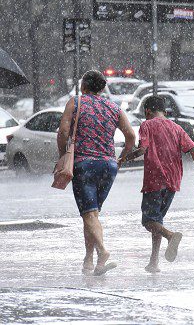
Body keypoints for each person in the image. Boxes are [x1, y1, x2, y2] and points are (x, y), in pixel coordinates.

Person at [57, 70, 136, 276]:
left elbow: (64, 132)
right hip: (108, 166)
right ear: (102, 88)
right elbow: (130, 136)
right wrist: (122, 157)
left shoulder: (76, 103)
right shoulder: (114, 107)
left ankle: (102, 252)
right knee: (92, 215)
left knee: (89, 214)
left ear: (83, 86)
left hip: (84, 165)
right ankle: (90, 261)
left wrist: (62, 156)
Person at [121, 95, 194, 273]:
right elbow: (193, 149)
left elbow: (143, 149)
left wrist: (124, 158)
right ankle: (154, 262)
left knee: (148, 221)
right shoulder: (176, 127)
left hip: (155, 179)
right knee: (158, 220)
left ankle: (170, 236)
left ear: (147, 111)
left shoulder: (147, 125)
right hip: (174, 179)